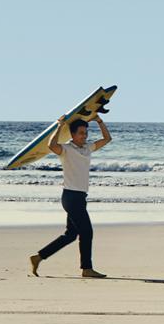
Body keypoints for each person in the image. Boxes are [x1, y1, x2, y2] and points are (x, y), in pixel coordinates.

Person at [29, 115, 112, 278]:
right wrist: (59, 126)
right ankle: (87, 269)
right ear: (72, 134)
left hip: (80, 197)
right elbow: (51, 145)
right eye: (81, 133)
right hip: (71, 197)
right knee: (87, 232)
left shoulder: (87, 148)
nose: (84, 136)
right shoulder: (66, 149)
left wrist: (99, 121)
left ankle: (38, 257)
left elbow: (107, 139)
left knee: (71, 235)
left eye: (86, 133)